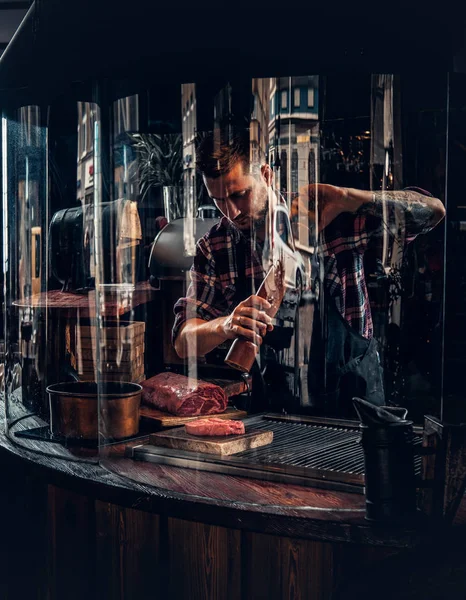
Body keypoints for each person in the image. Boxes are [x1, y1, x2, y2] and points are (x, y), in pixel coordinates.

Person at [172, 131, 446, 415]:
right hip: (272, 409)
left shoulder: (325, 215)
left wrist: (348, 198)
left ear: (266, 174)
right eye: (217, 199)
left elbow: (433, 212)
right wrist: (225, 325)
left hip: (353, 399)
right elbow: (183, 340)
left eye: (239, 194)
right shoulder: (216, 245)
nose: (230, 211)